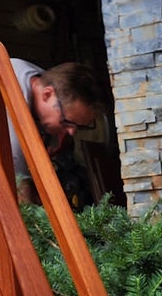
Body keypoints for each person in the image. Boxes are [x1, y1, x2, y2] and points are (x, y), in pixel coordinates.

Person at [6, 59, 104, 209]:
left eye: (78, 126)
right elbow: (17, 180)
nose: (71, 131)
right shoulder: (12, 89)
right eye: (67, 122)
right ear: (47, 94)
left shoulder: (43, 80)